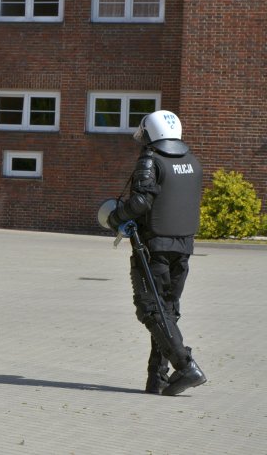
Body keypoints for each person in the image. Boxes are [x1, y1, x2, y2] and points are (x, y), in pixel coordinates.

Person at [106, 110, 206, 396]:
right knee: (167, 312)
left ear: (151, 132)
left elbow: (140, 202)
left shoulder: (151, 160)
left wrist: (115, 218)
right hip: (183, 247)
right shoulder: (191, 161)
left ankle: (185, 366)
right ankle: (158, 379)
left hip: (153, 247)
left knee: (151, 308)